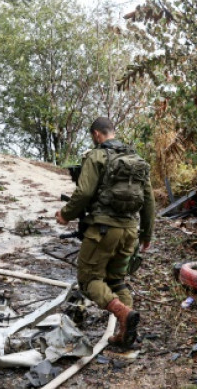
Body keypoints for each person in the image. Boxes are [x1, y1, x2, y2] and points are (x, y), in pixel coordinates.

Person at [56, 117, 155, 347]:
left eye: (93, 136)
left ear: (97, 135)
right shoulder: (137, 160)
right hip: (129, 232)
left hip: (103, 230)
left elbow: (83, 193)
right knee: (117, 281)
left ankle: (123, 314)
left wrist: (65, 214)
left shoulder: (97, 156)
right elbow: (149, 202)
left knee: (89, 280)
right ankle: (125, 333)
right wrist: (147, 234)